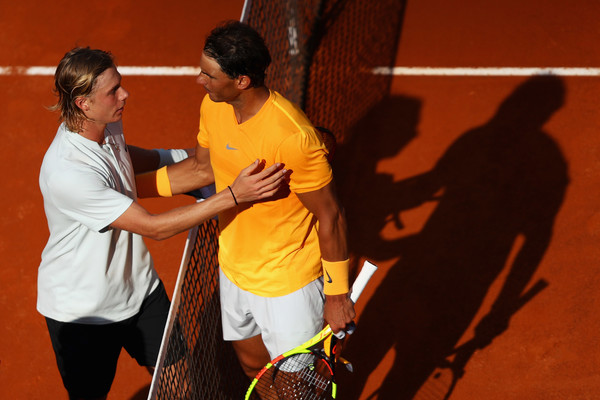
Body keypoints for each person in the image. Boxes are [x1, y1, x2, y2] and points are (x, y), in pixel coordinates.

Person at [38, 47, 286, 400]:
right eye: (113, 91)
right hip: (83, 313)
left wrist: (190, 161)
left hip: (140, 291)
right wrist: (232, 194)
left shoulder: (105, 122)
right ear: (83, 104)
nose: (124, 94)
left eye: (119, 85)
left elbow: (124, 155)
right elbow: (154, 227)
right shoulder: (69, 173)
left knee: (176, 383)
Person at [170, 20, 356, 379]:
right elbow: (199, 170)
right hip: (235, 271)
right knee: (255, 369)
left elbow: (331, 216)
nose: (200, 80)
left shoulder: (293, 138)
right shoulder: (214, 106)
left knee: (296, 385)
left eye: (209, 75)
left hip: (288, 285)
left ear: (241, 81)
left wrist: (336, 296)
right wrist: (127, 184)